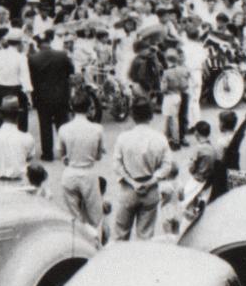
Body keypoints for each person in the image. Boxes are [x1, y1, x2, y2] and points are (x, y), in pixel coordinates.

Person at [112, 98, 175, 241]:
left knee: (120, 234)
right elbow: (167, 166)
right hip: (150, 189)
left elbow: (116, 165)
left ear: (133, 115)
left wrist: (132, 182)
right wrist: (151, 181)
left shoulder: (123, 138)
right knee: (145, 236)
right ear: (151, 116)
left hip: (128, 189)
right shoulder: (160, 138)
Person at [58, 91, 108, 242]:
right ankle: (95, 246)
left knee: (74, 218)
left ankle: (77, 245)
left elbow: (62, 154)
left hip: (70, 173)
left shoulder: (64, 129)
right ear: (89, 108)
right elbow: (98, 155)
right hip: (88, 172)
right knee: (95, 217)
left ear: (72, 107)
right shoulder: (97, 129)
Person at [28, 33, 73, 161]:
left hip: (42, 97)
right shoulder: (62, 55)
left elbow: (31, 78)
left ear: (38, 44)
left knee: (45, 125)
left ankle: (47, 153)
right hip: (61, 95)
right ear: (49, 41)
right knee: (63, 124)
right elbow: (71, 71)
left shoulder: (32, 58)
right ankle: (66, 152)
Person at [0, 30, 33, 133]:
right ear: (20, 43)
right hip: (16, 89)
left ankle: (0, 141)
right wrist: (29, 97)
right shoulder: (21, 57)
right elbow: (25, 79)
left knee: (0, 117)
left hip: (0, 88)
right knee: (21, 119)